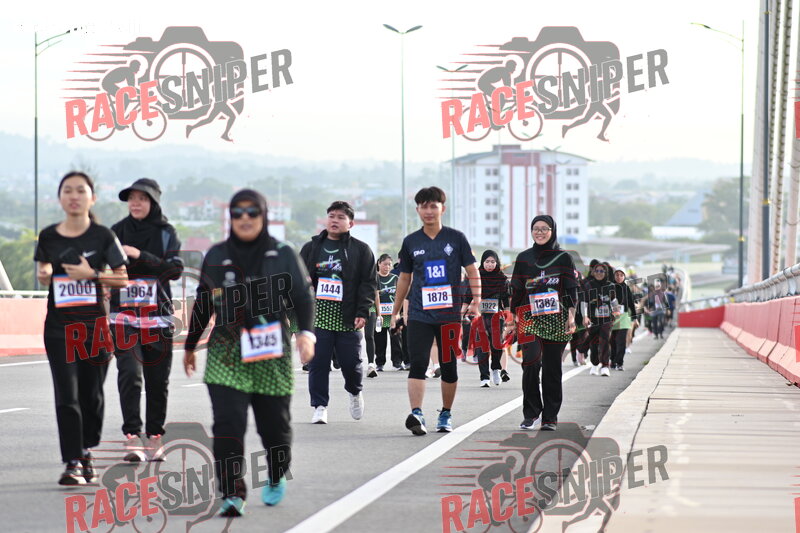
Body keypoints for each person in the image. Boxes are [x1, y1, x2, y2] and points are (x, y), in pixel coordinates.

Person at [183, 189, 315, 516]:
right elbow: (203, 302)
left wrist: (306, 335)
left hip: (271, 351)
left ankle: (276, 471)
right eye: (237, 213)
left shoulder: (282, 253)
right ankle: (232, 492)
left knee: (274, 429)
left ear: (264, 215)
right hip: (226, 354)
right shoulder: (216, 255)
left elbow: (303, 296)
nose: (245, 218)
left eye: (252, 212)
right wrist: (190, 345)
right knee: (228, 426)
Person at [34, 171, 129, 485]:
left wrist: (92, 275)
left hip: (94, 329)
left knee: (92, 396)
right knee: (67, 395)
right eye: (67, 191)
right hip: (59, 328)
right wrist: (45, 273)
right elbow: (43, 269)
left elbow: (122, 278)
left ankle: (86, 448)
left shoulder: (103, 236)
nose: (74, 196)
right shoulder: (48, 236)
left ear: (92, 197)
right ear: (60, 198)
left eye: (80, 190)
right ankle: (73, 461)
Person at [391, 187, 480, 435]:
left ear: (443, 208)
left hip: (449, 316)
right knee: (418, 363)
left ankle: (446, 413)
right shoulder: (411, 241)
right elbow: (404, 278)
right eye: (424, 206)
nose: (428, 211)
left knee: (448, 366)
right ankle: (417, 413)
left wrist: (476, 301)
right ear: (417, 210)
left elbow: (472, 270)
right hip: (419, 314)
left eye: (433, 206)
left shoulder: (456, 238)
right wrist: (395, 311)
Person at [110, 178, 183, 462]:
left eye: (142, 198)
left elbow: (175, 270)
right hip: (124, 318)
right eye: (132, 198)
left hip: (158, 320)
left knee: (157, 381)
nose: (136, 203)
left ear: (153, 202)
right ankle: (132, 437)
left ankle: (154, 437)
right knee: (129, 374)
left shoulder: (166, 233)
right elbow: (102, 268)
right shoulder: (116, 232)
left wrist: (141, 255)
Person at [299, 201, 376, 424]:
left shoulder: (361, 250)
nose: (335, 220)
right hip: (318, 317)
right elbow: (298, 281)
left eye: (341, 217)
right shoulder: (311, 248)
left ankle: (355, 392)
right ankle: (320, 406)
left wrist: (363, 311)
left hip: (348, 317)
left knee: (351, 364)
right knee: (318, 364)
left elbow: (368, 283)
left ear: (350, 224)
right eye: (331, 216)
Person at [508, 215, 578, 432]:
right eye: (536, 229)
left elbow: (571, 289)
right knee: (530, 363)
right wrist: (513, 317)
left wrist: (571, 316)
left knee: (551, 368)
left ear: (552, 231)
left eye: (544, 229)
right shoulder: (523, 258)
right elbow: (516, 290)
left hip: (556, 319)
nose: (539, 232)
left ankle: (550, 417)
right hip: (529, 317)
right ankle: (531, 413)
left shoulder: (564, 258)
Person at [463, 250, 509, 387]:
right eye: (487, 262)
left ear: (497, 262)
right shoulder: (476, 277)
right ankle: (484, 377)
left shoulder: (502, 279)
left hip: (497, 316)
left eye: (492, 262)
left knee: (497, 345)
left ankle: (495, 368)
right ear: (482, 262)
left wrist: (508, 315)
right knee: (481, 345)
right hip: (480, 316)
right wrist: (461, 312)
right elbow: (468, 297)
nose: (490, 264)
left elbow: (506, 300)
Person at [579, 261, 618, 376]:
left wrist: (616, 310)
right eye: (597, 271)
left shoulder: (611, 286)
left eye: (602, 271)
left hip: (606, 318)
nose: (599, 273)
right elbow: (584, 302)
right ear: (593, 272)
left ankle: (605, 366)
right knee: (594, 342)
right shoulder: (588, 285)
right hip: (593, 318)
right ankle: (595, 364)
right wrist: (585, 316)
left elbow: (613, 300)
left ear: (606, 273)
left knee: (605, 339)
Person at [374, 254, 403, 371]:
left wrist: (397, 313)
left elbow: (400, 296)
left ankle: (397, 363)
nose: (387, 267)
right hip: (379, 315)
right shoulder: (374, 277)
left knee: (396, 339)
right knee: (379, 340)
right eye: (385, 264)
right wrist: (377, 314)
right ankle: (379, 363)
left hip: (393, 315)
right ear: (379, 264)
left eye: (389, 264)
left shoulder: (395, 278)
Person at [610, 268, 638, 371]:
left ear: (624, 276)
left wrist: (635, 318)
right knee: (612, 341)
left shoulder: (626, 288)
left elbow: (631, 303)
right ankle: (613, 361)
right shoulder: (609, 287)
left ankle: (619, 363)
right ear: (614, 276)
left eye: (621, 275)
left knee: (621, 341)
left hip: (624, 317)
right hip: (612, 317)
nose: (619, 277)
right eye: (617, 275)